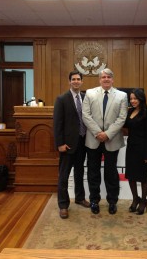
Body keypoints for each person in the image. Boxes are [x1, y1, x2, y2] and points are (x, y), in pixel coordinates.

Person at [82, 68, 128, 215]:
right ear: (99, 79)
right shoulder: (89, 93)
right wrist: (98, 133)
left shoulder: (122, 96)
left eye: (108, 77)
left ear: (112, 79)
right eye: (103, 77)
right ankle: (94, 200)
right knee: (93, 172)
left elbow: (122, 118)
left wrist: (107, 134)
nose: (106, 79)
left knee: (111, 172)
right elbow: (85, 115)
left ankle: (112, 201)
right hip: (93, 139)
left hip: (112, 139)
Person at [53, 70, 90, 219]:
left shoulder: (85, 97)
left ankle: (80, 198)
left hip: (83, 142)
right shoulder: (62, 99)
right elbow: (57, 124)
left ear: (82, 82)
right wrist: (60, 143)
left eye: (78, 79)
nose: (76, 81)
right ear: (69, 81)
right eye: (73, 79)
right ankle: (63, 205)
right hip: (67, 145)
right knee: (64, 175)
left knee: (80, 172)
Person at [124, 88, 147, 215]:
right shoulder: (129, 111)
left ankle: (143, 201)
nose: (133, 101)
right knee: (131, 176)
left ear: (141, 99)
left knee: (143, 177)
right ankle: (135, 198)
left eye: (135, 98)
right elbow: (124, 125)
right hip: (131, 148)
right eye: (131, 99)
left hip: (142, 149)